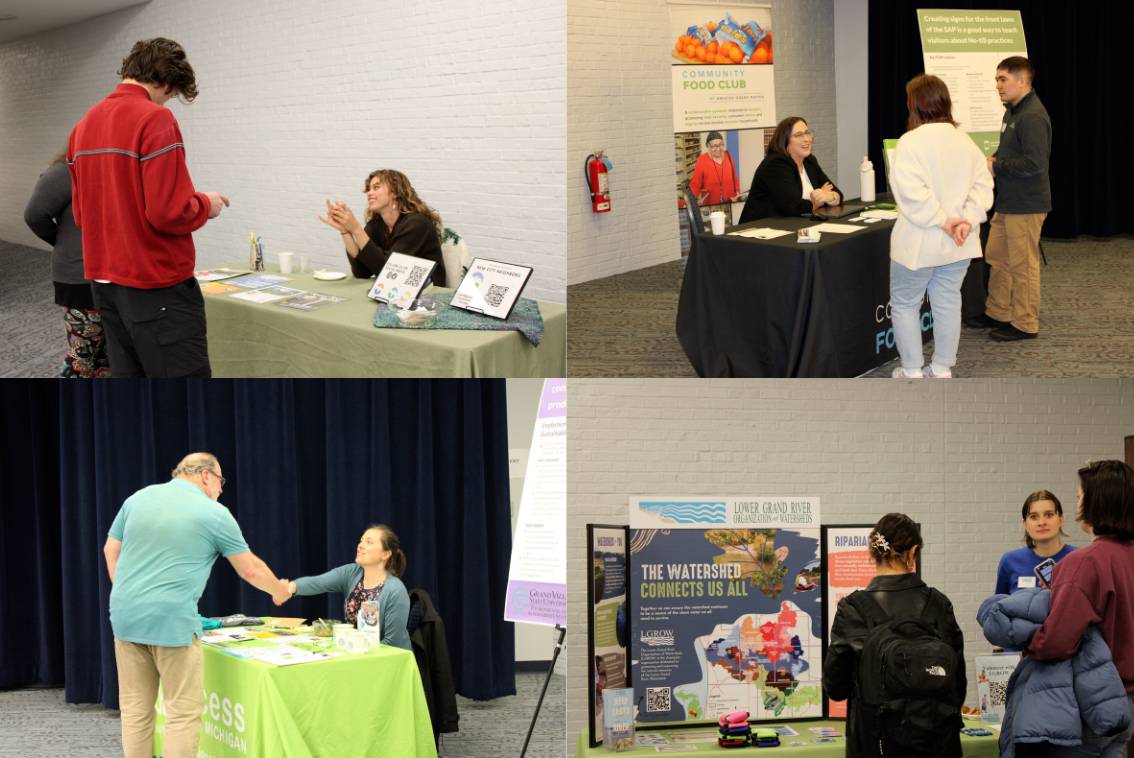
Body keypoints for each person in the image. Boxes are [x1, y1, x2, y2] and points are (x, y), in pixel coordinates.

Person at [103, 453, 286, 758]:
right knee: (181, 714)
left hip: (125, 617)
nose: (221, 489)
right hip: (172, 623)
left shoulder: (138, 498)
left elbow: (111, 549)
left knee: (135, 710)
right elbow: (250, 569)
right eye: (221, 481)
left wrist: (127, 592)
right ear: (205, 476)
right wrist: (278, 589)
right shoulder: (213, 513)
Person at [67, 38, 229, 378]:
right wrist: (205, 204)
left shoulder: (83, 126)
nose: (167, 101)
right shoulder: (155, 119)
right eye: (170, 94)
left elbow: (82, 216)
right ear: (166, 82)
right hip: (157, 287)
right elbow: (169, 212)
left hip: (106, 284)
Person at [823, 513, 966, 758]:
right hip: (936, 741)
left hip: (874, 742)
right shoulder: (938, 604)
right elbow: (957, 683)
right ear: (913, 552)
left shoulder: (853, 608)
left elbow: (836, 687)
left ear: (872, 553)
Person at [888, 74, 993, 379]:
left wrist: (943, 221)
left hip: (920, 242)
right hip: (960, 241)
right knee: (947, 300)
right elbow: (983, 187)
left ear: (915, 105)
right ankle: (942, 368)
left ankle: (912, 371)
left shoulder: (910, 142)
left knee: (906, 304)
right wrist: (967, 220)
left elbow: (910, 192)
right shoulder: (965, 141)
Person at [1028, 460, 1134, 757]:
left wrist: (1028, 641)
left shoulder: (1085, 563)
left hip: (1091, 703)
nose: (1078, 502)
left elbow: (1057, 641)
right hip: (1127, 706)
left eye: (1079, 496)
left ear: (1096, 501)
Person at [965, 56, 1051, 342]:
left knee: (1023, 266)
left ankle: (1026, 324)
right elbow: (1013, 154)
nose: (997, 86)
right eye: (996, 80)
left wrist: (996, 166)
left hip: (1026, 205)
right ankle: (997, 312)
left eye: (1003, 79)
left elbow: (1035, 164)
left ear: (1022, 81)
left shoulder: (1032, 116)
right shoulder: (1012, 112)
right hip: (1007, 202)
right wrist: (997, 159)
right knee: (997, 257)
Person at [23, 149, 110, 378]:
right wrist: (64, 243)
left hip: (115, 276)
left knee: (110, 357)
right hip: (78, 277)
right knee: (83, 357)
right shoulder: (64, 171)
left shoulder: (112, 167)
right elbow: (35, 216)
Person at [276, 523, 412, 650]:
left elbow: (393, 644)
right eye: (361, 541)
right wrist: (288, 588)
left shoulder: (395, 590)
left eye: (369, 542)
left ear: (386, 554)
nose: (360, 545)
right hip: (358, 654)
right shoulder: (352, 573)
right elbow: (318, 582)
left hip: (386, 662)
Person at [319, 169, 447, 286]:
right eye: (369, 189)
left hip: (427, 297)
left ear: (395, 193)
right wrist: (345, 231)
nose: (369, 193)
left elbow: (388, 272)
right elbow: (361, 273)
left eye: (376, 187)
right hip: (397, 291)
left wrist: (356, 229)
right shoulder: (376, 225)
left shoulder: (417, 224)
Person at [738, 116, 841, 223]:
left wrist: (830, 196)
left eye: (807, 133)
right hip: (760, 231)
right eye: (799, 135)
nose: (806, 139)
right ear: (785, 141)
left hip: (793, 227)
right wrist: (817, 201)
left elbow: (837, 193)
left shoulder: (809, 161)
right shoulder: (775, 165)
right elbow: (794, 207)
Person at [995, 490, 1076, 596]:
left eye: (1049, 515)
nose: (1042, 523)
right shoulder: (1010, 561)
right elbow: (999, 608)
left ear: (1061, 519)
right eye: (1034, 517)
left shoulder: (1078, 559)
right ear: (1025, 524)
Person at [689, 131, 741, 206]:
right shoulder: (702, 160)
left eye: (721, 145)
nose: (718, 149)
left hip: (730, 201)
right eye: (714, 146)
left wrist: (737, 192)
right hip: (711, 204)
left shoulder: (728, 156)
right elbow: (695, 184)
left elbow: (734, 177)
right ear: (708, 145)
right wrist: (692, 201)